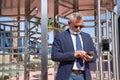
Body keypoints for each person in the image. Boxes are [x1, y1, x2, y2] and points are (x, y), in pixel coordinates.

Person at [51, 12, 98, 80]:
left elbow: (95, 54)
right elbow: (54, 55)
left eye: (81, 26)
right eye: (76, 26)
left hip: (84, 75)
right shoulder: (60, 37)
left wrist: (90, 57)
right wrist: (73, 55)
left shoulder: (87, 37)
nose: (79, 28)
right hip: (67, 76)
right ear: (69, 23)